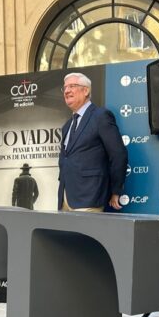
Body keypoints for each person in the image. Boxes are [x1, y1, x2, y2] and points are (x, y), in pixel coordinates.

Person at [58, 72, 128, 212]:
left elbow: (118, 154)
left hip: (90, 198)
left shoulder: (100, 116)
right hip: (65, 200)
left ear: (86, 90)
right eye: (65, 88)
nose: (66, 91)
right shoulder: (67, 126)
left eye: (72, 86)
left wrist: (115, 190)